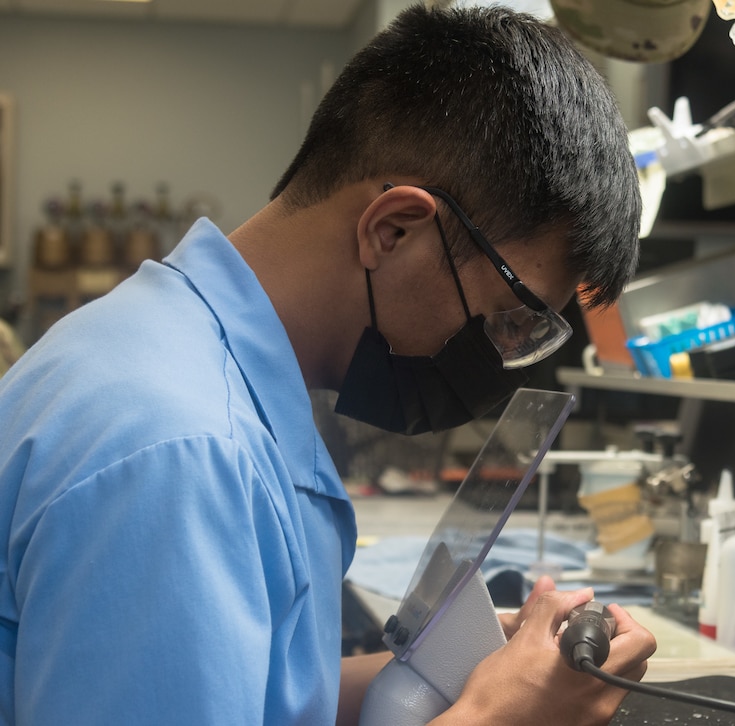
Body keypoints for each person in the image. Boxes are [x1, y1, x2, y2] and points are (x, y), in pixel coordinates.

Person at [0, 4, 656, 725]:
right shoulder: (180, 451)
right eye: (507, 318)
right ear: (394, 229)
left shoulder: (177, 355)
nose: (499, 357)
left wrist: (466, 671)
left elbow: (267, 697)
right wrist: (502, 717)